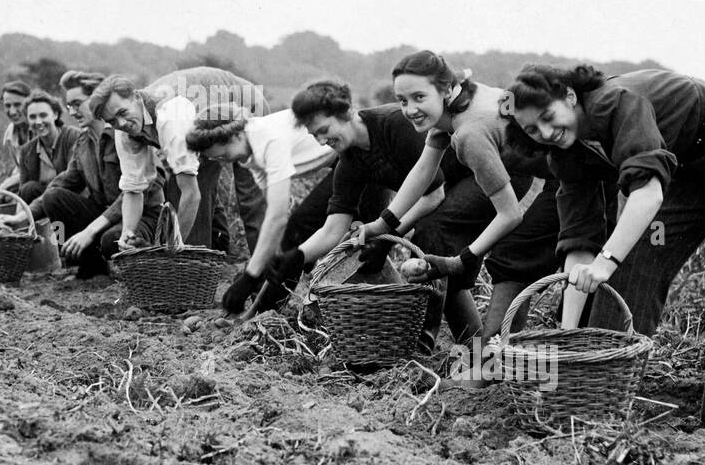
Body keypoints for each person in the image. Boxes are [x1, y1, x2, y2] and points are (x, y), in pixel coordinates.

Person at [507, 64, 705, 437]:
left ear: (569, 96)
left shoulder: (619, 103)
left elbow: (647, 193)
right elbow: (580, 244)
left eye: (549, 117)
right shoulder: (563, 153)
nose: (546, 133)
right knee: (638, 260)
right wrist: (568, 341)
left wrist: (606, 260)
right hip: (688, 171)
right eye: (533, 129)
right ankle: (600, 401)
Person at [359, 51, 561, 343]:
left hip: (565, 176)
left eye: (418, 97)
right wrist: (381, 225)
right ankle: (481, 353)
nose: (410, 109)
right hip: (528, 169)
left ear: (444, 89)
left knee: (513, 255)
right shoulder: (451, 111)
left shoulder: (469, 132)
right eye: (403, 100)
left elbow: (511, 214)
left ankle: (489, 362)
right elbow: (423, 171)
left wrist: (460, 260)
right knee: (450, 238)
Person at [265, 80, 451, 307]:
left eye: (324, 130)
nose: (322, 141)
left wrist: (387, 236)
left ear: (346, 113)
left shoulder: (395, 124)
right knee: (452, 284)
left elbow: (434, 194)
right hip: (432, 198)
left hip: (464, 182)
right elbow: (334, 228)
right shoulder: (349, 162)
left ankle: (428, 337)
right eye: (315, 136)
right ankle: (471, 339)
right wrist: (297, 256)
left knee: (430, 241)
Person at [89, 69, 267, 251]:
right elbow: (134, 189)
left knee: (249, 197)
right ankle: (211, 260)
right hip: (202, 124)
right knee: (185, 186)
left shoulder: (170, 114)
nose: (121, 124)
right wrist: (127, 232)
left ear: (136, 97)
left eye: (123, 112)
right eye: (112, 121)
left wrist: (169, 251)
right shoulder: (123, 132)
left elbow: (191, 194)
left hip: (243, 101)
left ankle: (265, 271)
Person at [185, 103, 336, 312]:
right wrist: (266, 260)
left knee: (300, 230)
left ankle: (264, 313)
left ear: (236, 136)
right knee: (291, 239)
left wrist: (249, 276)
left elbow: (278, 216)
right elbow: (272, 213)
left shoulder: (267, 139)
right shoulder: (250, 155)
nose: (223, 161)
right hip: (338, 160)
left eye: (222, 155)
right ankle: (263, 313)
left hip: (351, 154)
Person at [26, 71, 163, 278]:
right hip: (105, 215)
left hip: (141, 215)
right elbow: (61, 183)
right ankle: (90, 267)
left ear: (96, 101)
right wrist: (21, 216)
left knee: (113, 239)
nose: (72, 112)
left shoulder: (127, 134)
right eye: (69, 106)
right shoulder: (83, 141)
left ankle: (148, 267)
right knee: (54, 198)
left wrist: (90, 230)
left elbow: (141, 189)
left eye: (77, 103)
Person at [6, 91, 81, 204]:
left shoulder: (72, 136)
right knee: (28, 188)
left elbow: (72, 180)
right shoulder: (27, 151)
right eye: (32, 117)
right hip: (46, 202)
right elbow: (22, 194)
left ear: (55, 115)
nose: (38, 122)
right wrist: (18, 218)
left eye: (43, 115)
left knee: (54, 194)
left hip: (72, 200)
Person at [0, 81, 32, 192]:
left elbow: (37, 173)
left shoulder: (40, 128)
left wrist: (4, 186)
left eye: (18, 105)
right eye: (7, 106)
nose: (12, 111)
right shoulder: (11, 132)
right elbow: (20, 168)